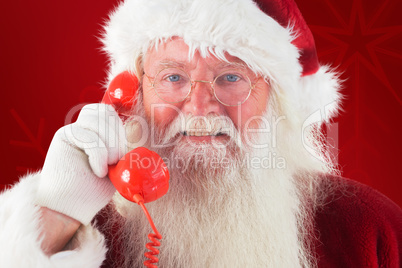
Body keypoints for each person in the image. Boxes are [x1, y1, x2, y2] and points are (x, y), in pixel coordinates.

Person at [0, 0, 401, 267]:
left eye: (231, 77)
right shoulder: (84, 232)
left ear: (277, 100)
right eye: (173, 77)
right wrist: (53, 217)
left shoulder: (370, 229)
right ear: (132, 93)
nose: (199, 106)